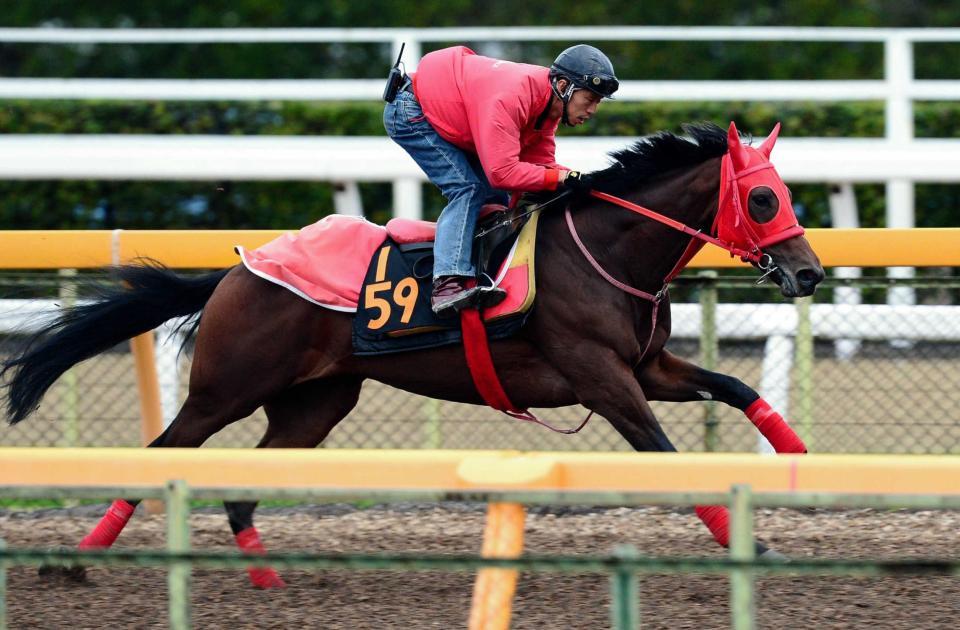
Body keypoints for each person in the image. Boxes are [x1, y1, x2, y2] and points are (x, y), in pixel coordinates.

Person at [383, 44, 618, 317]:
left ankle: (485, 272)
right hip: (410, 110)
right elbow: (503, 173)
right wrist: (563, 177)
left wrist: (584, 181)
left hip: (450, 111)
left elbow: (540, 171)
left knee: (497, 200)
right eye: (590, 99)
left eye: (598, 102)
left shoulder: (546, 109)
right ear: (563, 85)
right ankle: (446, 285)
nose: (593, 110)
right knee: (468, 188)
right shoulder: (512, 97)